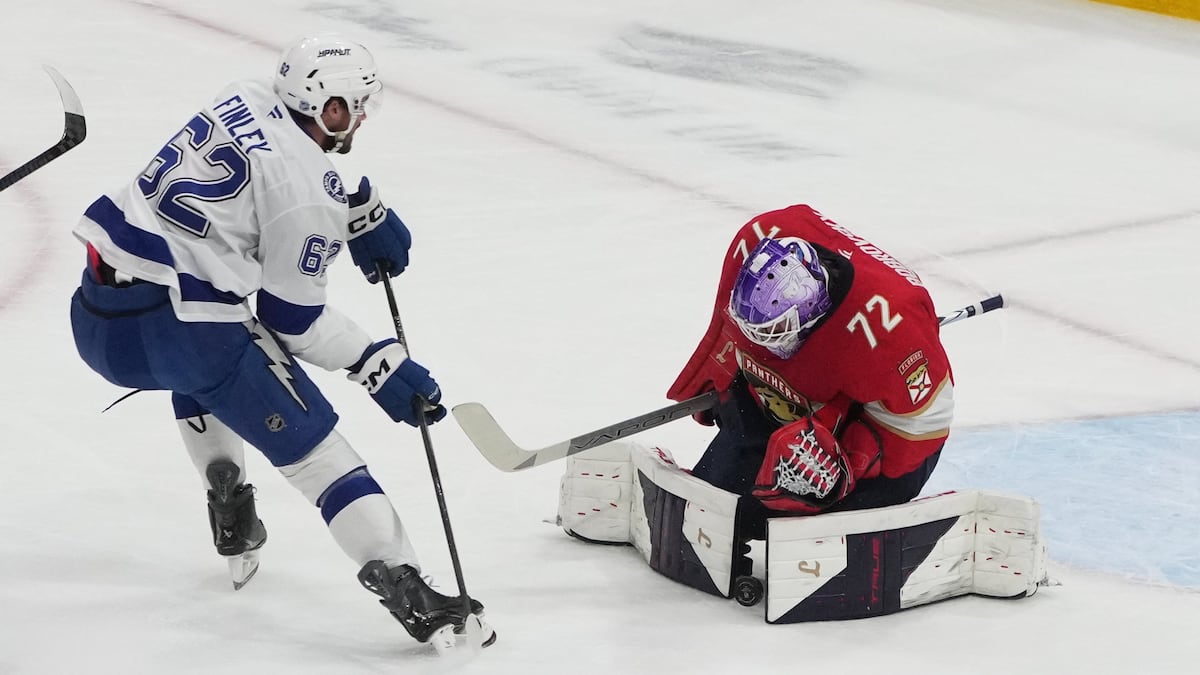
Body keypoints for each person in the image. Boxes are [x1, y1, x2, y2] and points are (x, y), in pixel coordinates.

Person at [68, 34, 493, 650]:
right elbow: (294, 319)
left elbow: (266, 179)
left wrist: (353, 212)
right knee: (317, 452)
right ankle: (406, 584)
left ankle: (228, 497)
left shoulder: (243, 93)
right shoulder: (308, 193)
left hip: (100, 317)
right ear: (325, 106)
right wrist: (377, 362)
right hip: (185, 333)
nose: (362, 117)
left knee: (209, 357)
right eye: (353, 104)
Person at [666, 204, 954, 537]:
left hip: (880, 432)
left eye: (777, 334)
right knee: (721, 512)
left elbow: (927, 425)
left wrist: (851, 463)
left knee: (792, 530)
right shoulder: (758, 238)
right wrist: (722, 376)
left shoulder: (893, 329)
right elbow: (731, 328)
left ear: (813, 314)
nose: (765, 345)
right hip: (796, 395)